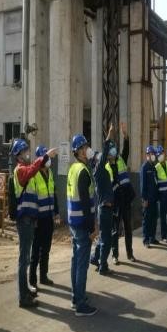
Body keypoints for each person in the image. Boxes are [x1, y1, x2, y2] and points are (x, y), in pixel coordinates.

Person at [11, 139, 57, 309]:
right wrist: (44, 157)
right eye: (24, 151)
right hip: (24, 219)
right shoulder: (20, 170)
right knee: (24, 259)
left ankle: (26, 291)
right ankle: (23, 297)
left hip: (30, 219)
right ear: (18, 155)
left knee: (26, 258)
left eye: (26, 150)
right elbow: (30, 172)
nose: (27, 153)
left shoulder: (27, 169)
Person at [67, 134, 98, 316]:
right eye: (85, 146)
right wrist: (92, 228)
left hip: (74, 221)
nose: (88, 149)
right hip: (82, 223)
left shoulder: (74, 168)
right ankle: (80, 304)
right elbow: (86, 203)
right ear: (79, 151)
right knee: (81, 264)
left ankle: (75, 297)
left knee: (76, 260)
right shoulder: (83, 172)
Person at [29, 145, 60, 291]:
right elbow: (32, 197)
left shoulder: (50, 173)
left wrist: (57, 212)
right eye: (45, 157)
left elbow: (53, 193)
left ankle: (43, 276)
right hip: (38, 218)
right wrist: (34, 218)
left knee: (46, 248)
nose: (48, 161)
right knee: (35, 250)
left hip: (48, 217)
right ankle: (32, 280)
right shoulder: (34, 175)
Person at [107, 123, 136, 264]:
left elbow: (127, 149)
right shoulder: (106, 166)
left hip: (126, 200)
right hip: (115, 202)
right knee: (115, 230)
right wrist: (109, 133)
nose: (114, 152)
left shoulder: (121, 159)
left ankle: (130, 254)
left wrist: (126, 136)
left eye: (114, 149)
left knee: (128, 228)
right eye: (111, 150)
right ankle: (115, 255)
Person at [90, 124, 115, 275]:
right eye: (99, 158)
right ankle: (103, 266)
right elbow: (105, 153)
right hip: (105, 209)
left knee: (103, 236)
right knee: (106, 239)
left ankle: (95, 258)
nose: (102, 158)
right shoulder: (98, 171)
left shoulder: (102, 171)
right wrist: (109, 136)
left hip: (106, 208)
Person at [140, 145, 159, 247]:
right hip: (147, 199)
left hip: (154, 198)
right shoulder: (144, 167)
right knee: (146, 220)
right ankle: (146, 240)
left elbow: (156, 182)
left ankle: (152, 237)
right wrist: (144, 199)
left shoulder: (153, 167)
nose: (153, 155)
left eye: (154, 154)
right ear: (147, 155)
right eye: (151, 154)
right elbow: (143, 185)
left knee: (154, 219)